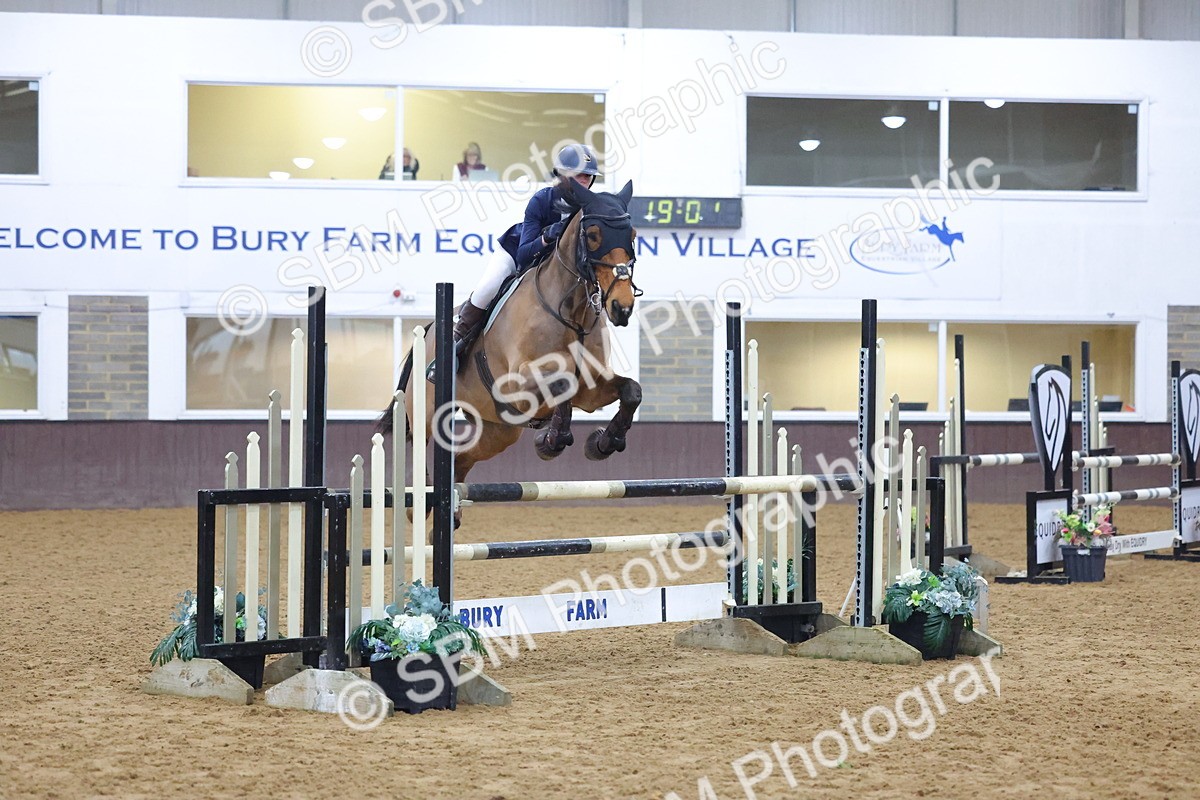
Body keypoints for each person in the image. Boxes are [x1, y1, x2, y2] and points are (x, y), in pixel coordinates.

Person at [452, 143, 601, 353]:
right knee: (489, 286)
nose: (585, 181)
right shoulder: (542, 200)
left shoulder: (590, 209)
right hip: (516, 253)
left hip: (553, 270)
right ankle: (458, 339)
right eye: (579, 175)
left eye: (588, 176)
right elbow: (524, 256)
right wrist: (548, 236)